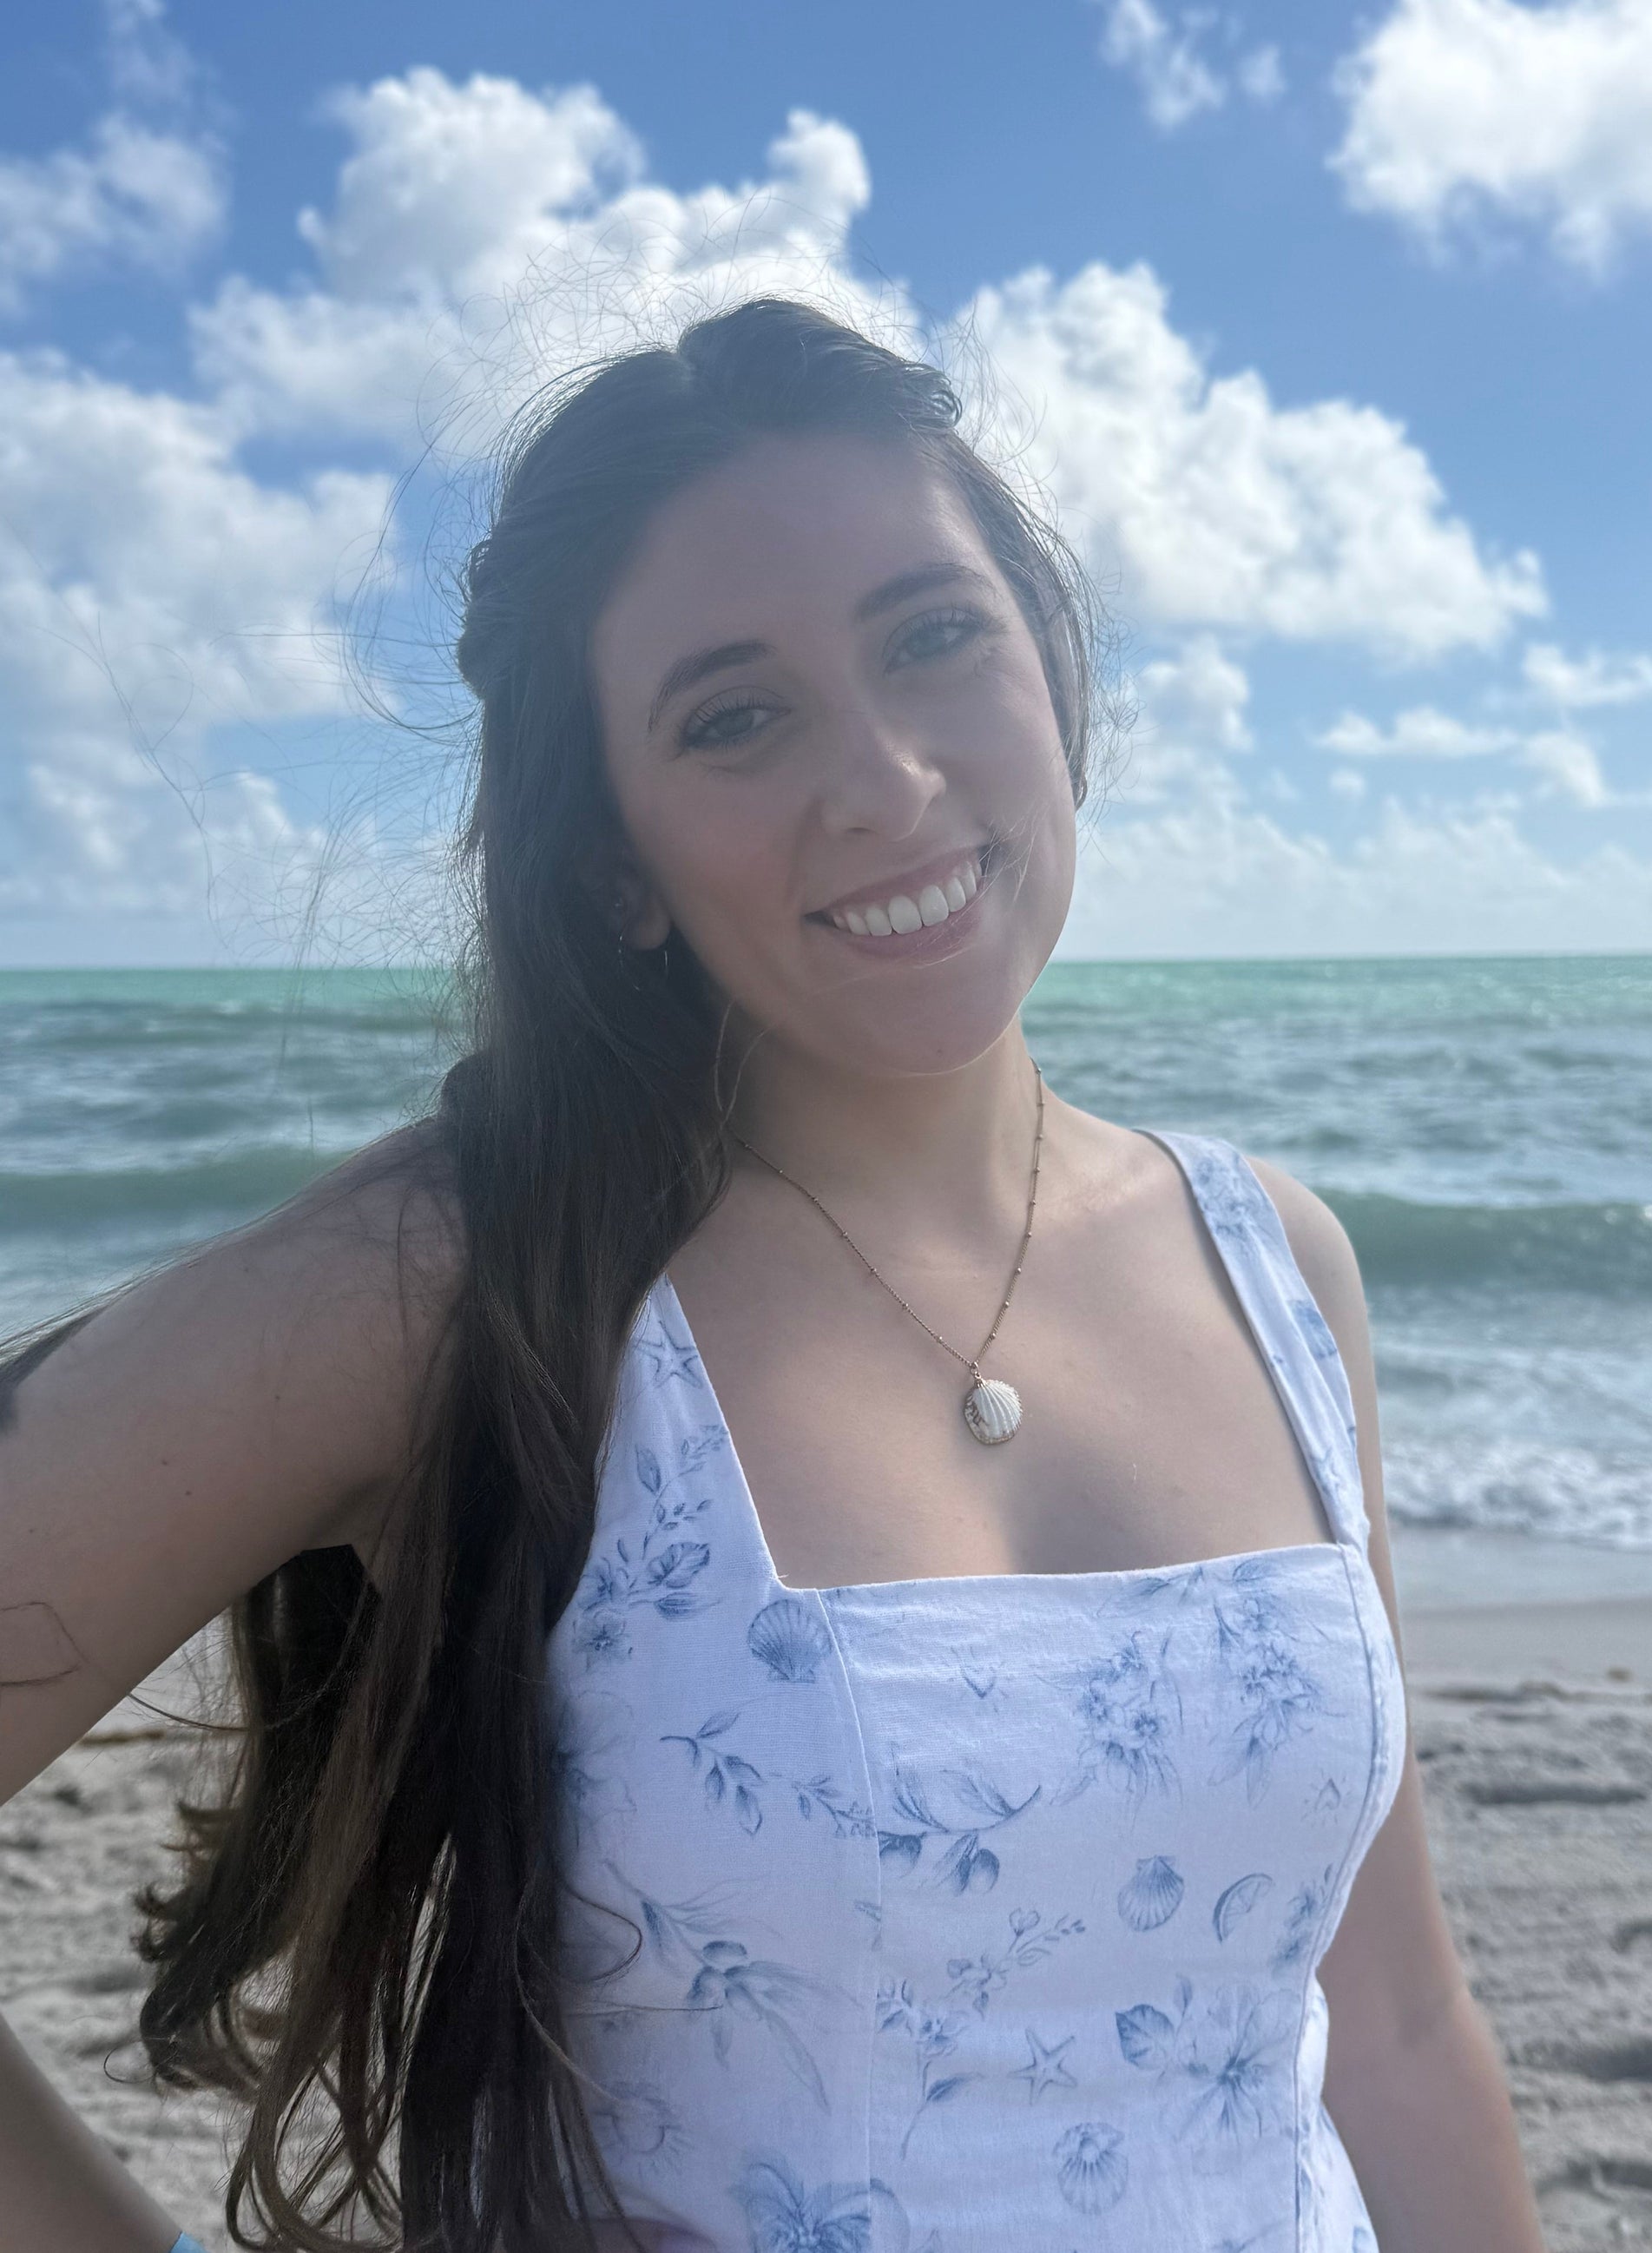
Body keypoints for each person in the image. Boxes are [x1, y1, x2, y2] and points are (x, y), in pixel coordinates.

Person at [0, 297, 1546, 2253]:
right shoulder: (467, 1284)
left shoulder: (1273, 1260)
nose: (888, 780)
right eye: (734, 716)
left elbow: (1390, 2022)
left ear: (1054, 671)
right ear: (613, 856)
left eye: (934, 638)